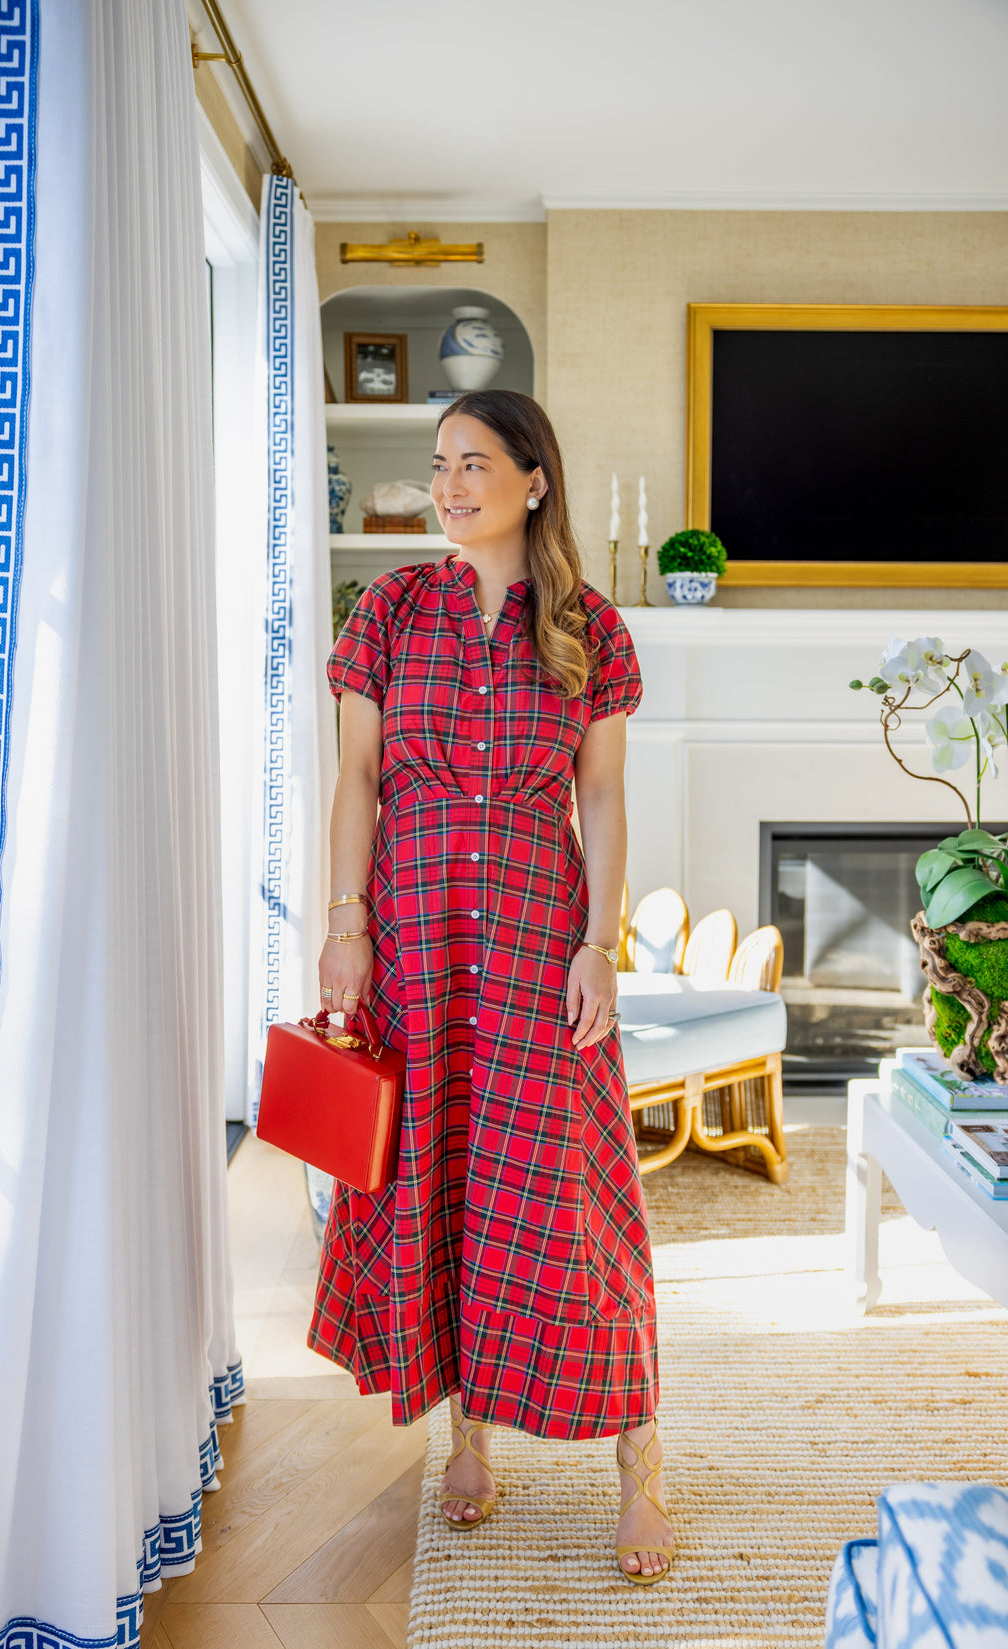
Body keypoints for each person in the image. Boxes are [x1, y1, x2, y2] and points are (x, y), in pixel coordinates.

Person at [309, 389, 674, 1583]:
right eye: (437, 466)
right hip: (413, 944)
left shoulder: (590, 627)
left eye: (473, 463)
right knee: (438, 1183)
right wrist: (345, 920)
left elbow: (603, 796)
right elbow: (357, 778)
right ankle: (464, 1437)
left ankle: (640, 1463)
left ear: (533, 478)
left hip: (531, 946)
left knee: (573, 1192)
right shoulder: (390, 610)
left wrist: (598, 941)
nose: (448, 485)